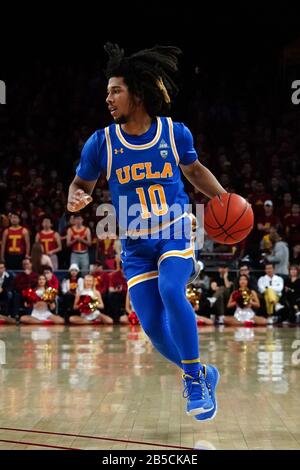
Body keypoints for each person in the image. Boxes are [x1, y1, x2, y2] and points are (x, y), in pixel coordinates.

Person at [67, 43, 226, 420]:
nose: (107, 98)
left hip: (175, 230)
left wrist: (225, 199)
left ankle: (191, 381)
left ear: (136, 94)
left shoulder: (174, 133)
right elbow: (80, 184)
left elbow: (195, 171)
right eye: (107, 91)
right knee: (153, 329)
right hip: (135, 244)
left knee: (171, 289)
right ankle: (202, 373)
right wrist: (76, 198)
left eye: (115, 90)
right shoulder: (101, 142)